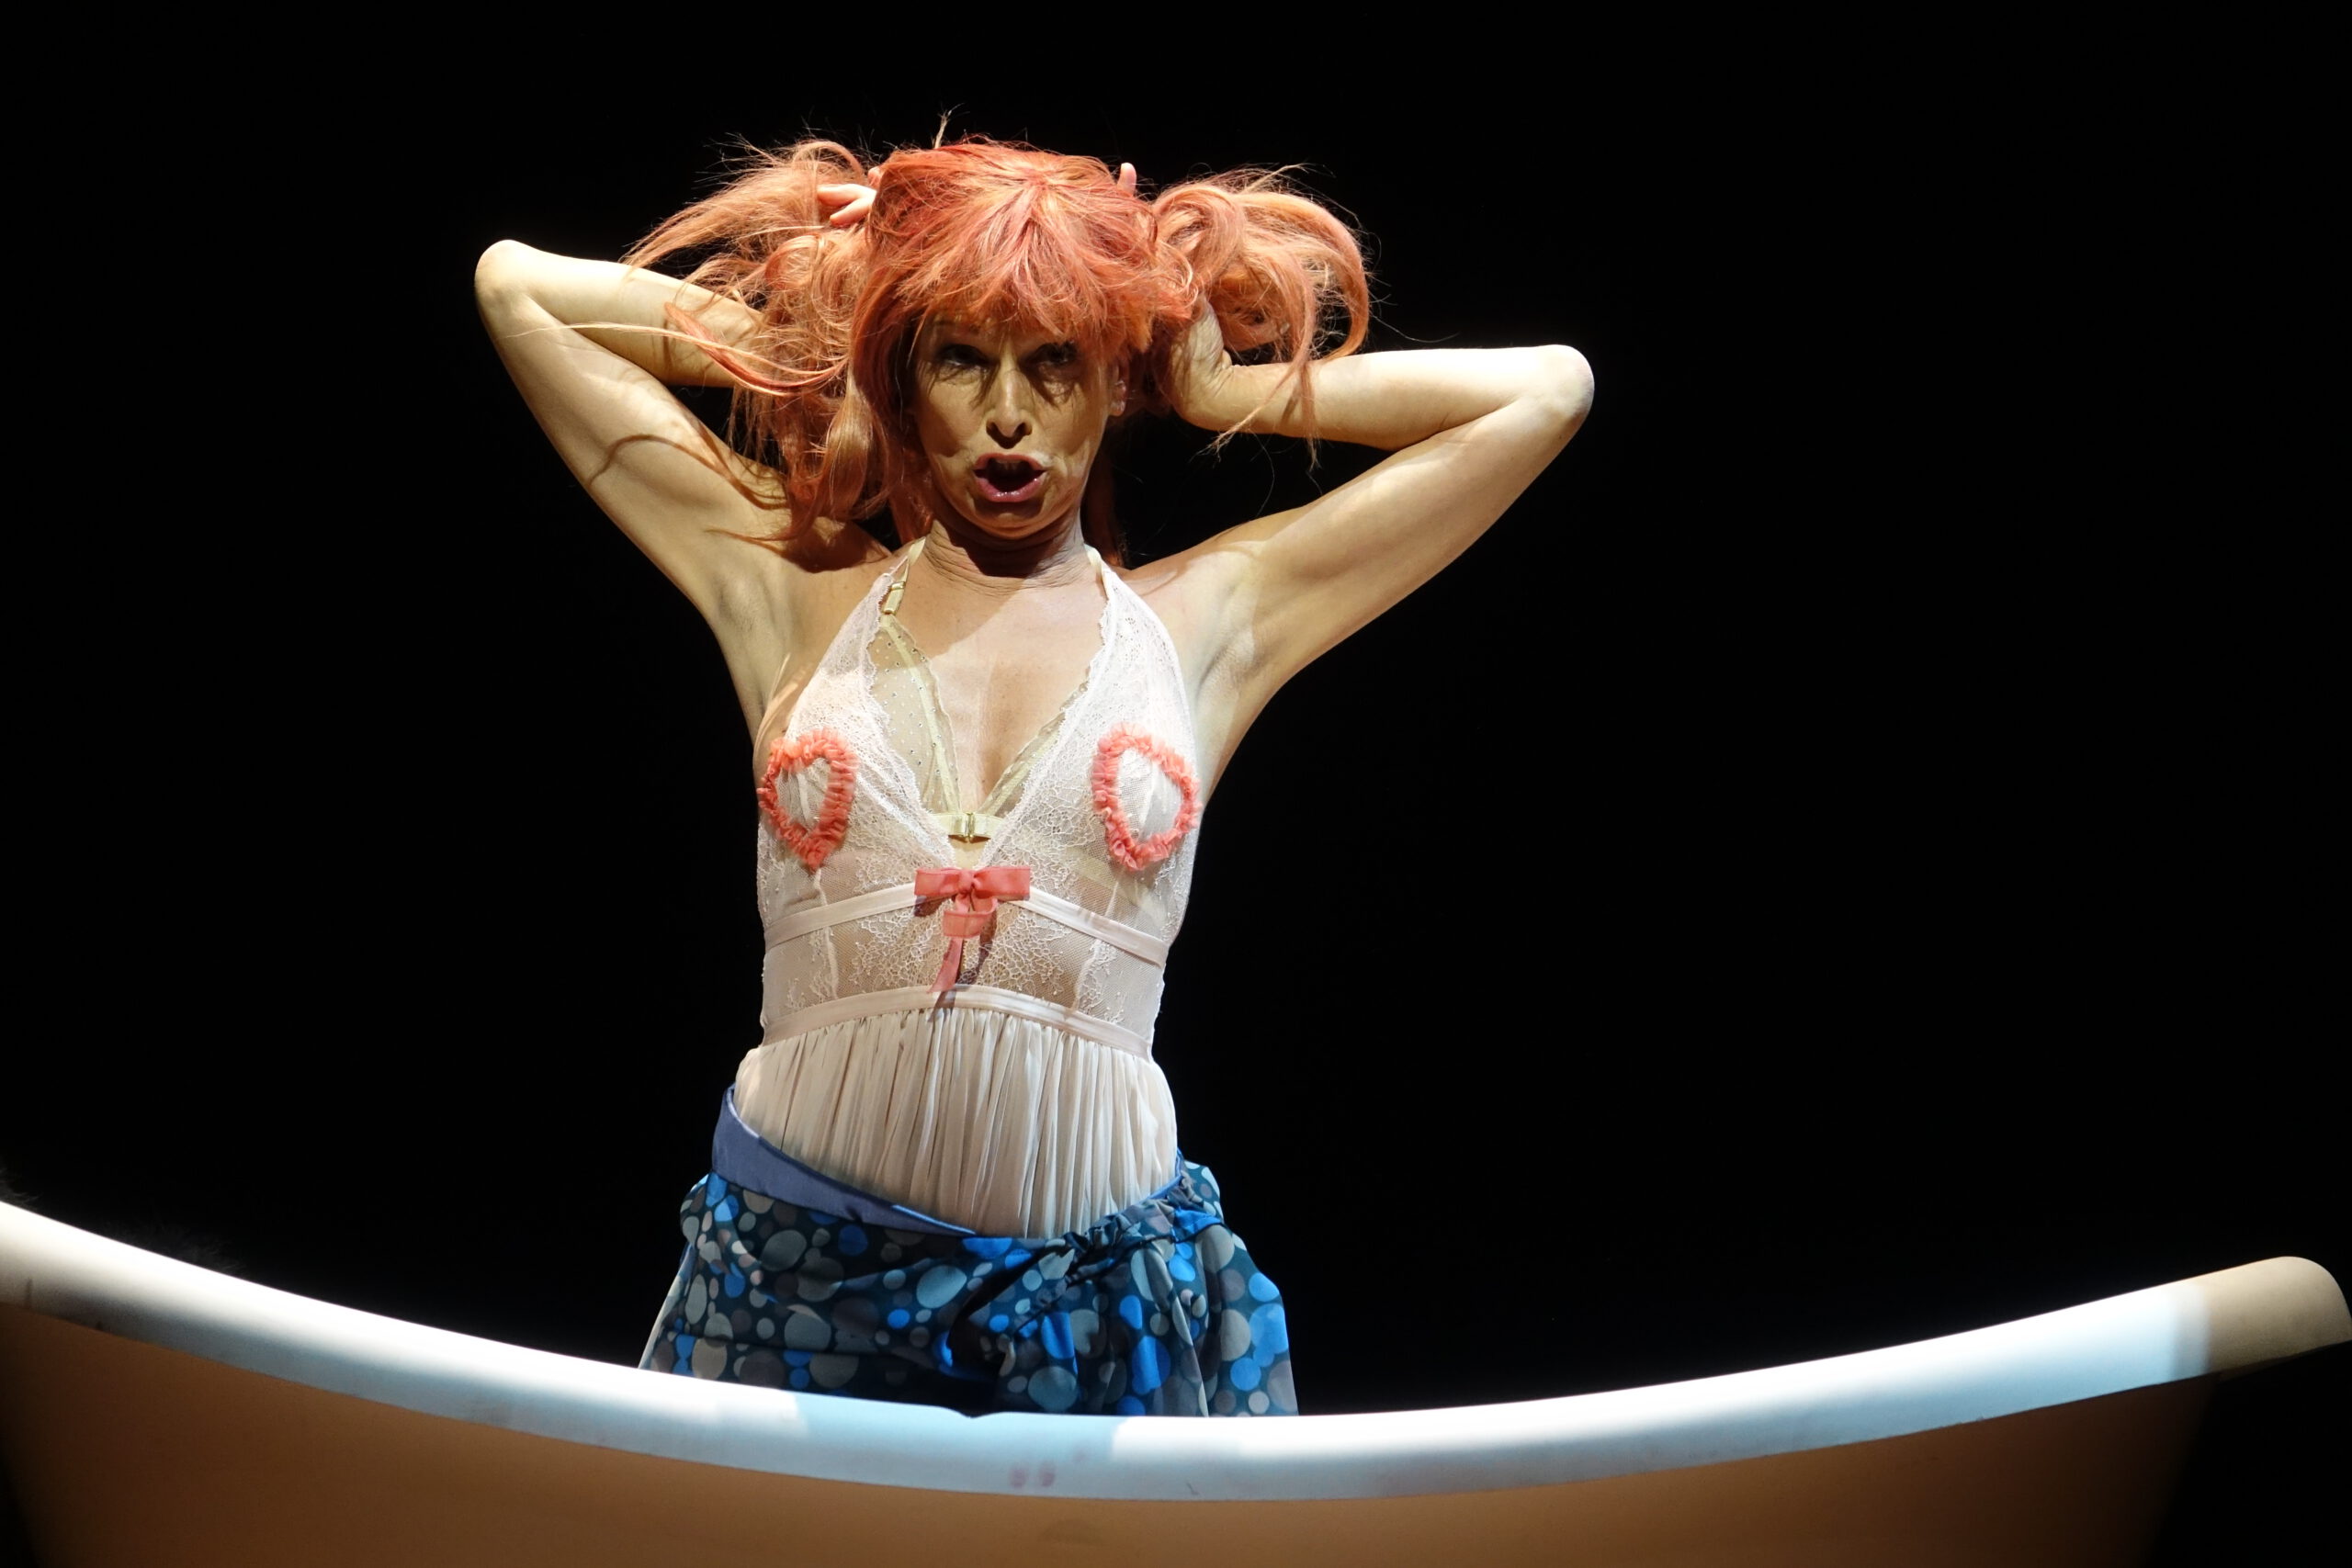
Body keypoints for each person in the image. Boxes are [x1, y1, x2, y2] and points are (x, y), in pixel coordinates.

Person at [474, 137, 1592, 1417]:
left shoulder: (1203, 623)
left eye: (1055, 360)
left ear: (1113, 380)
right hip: (795, 1292)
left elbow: (1547, 392)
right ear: (907, 379)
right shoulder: (788, 591)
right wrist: (839, 315)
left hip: (1099, 1314)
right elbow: (517, 289)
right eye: (960, 357)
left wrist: (1213, 384)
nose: (1009, 413)